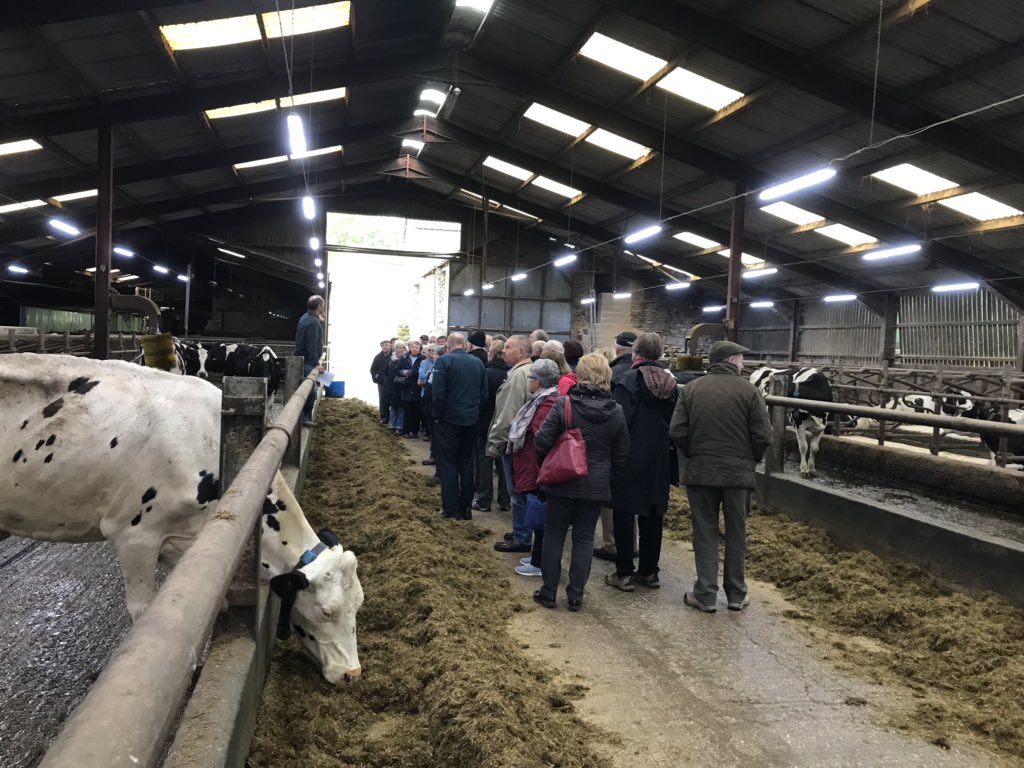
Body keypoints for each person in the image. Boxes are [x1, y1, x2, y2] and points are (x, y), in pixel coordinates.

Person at [669, 340, 770, 613]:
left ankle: (706, 593)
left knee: (705, 532)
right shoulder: (750, 392)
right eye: (741, 359)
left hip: (701, 473)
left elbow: (677, 430)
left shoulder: (690, 390)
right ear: (732, 361)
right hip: (738, 476)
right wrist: (750, 459)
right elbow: (763, 435)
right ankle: (737, 594)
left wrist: (694, 453)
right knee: (737, 534)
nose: (743, 364)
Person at [532, 353, 629, 612]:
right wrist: (607, 477)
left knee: (554, 534)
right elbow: (622, 455)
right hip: (595, 485)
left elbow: (541, 441)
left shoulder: (564, 404)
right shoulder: (617, 411)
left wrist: (548, 464)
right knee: (585, 538)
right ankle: (576, 595)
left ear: (580, 374)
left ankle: (549, 591)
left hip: (562, 480)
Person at [606, 332, 679, 592]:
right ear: (659, 355)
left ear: (636, 353)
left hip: (630, 456)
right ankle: (649, 571)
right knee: (653, 514)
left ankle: (624, 572)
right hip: (660, 457)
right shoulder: (671, 384)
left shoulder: (629, 380)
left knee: (624, 512)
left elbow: (620, 420)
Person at [508, 358, 560, 577]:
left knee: (539, 515)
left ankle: (539, 563)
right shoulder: (543, 400)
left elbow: (542, 437)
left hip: (536, 466)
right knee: (538, 513)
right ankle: (537, 557)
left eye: (531, 378)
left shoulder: (546, 404)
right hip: (532, 464)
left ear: (538, 382)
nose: (529, 381)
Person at [432, 334, 487, 520]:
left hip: (449, 420)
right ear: (464, 345)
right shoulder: (477, 363)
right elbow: (484, 393)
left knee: (448, 464)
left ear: (448, 345)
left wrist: (438, 415)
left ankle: (450, 508)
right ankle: (465, 509)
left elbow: (438, 392)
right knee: (466, 463)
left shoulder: (443, 361)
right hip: (470, 420)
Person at [486, 334, 534, 552]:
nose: (503, 350)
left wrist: (496, 442)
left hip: (514, 443)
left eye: (508, 347)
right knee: (520, 491)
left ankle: (522, 537)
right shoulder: (524, 372)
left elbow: (508, 415)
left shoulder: (517, 376)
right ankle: (520, 530)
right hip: (522, 442)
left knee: (517, 492)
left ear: (521, 352)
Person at [594, 331, 638, 559]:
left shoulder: (615, 373)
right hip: (639, 447)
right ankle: (631, 544)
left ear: (617, 349)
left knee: (612, 497)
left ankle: (613, 544)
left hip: (616, 444)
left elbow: (613, 414)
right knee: (632, 499)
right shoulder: (644, 372)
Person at [473, 339, 510, 513]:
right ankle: (504, 499)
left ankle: (484, 499)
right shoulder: (511, 373)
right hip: (506, 421)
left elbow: (481, 398)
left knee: (485, 459)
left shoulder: (486, 372)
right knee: (504, 460)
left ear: (491, 353)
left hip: (486, 421)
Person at [294, 294, 325, 427]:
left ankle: (303, 416)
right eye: (322, 305)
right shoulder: (313, 322)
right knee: (311, 388)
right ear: (318, 306)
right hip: (306, 360)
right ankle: (304, 417)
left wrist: (320, 321)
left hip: (300, 358)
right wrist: (316, 364)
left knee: (307, 387)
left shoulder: (306, 317)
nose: (323, 307)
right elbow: (311, 345)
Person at [401, 340, 425, 438]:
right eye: (413, 347)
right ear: (410, 348)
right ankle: (406, 431)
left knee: (416, 412)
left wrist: (411, 372)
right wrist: (403, 372)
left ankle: (415, 432)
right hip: (406, 388)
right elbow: (397, 369)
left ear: (420, 349)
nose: (414, 349)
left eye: (416, 347)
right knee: (407, 412)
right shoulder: (404, 357)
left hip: (417, 388)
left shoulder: (422, 359)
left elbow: (421, 371)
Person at [384, 340, 409, 435]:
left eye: (401, 348)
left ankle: (400, 427)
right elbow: (385, 372)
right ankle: (392, 426)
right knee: (393, 407)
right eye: (397, 347)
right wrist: (387, 383)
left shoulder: (406, 359)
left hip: (402, 387)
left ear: (404, 349)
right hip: (392, 387)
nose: (399, 349)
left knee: (401, 409)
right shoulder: (390, 359)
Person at [370, 339, 392, 425]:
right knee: (382, 399)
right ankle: (384, 417)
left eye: (386, 345)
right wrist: (377, 377)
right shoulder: (377, 357)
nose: (385, 347)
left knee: (392, 399)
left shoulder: (394, 356)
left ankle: (392, 418)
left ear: (390, 345)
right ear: (381, 347)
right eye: (383, 345)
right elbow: (372, 370)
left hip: (391, 382)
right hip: (382, 382)